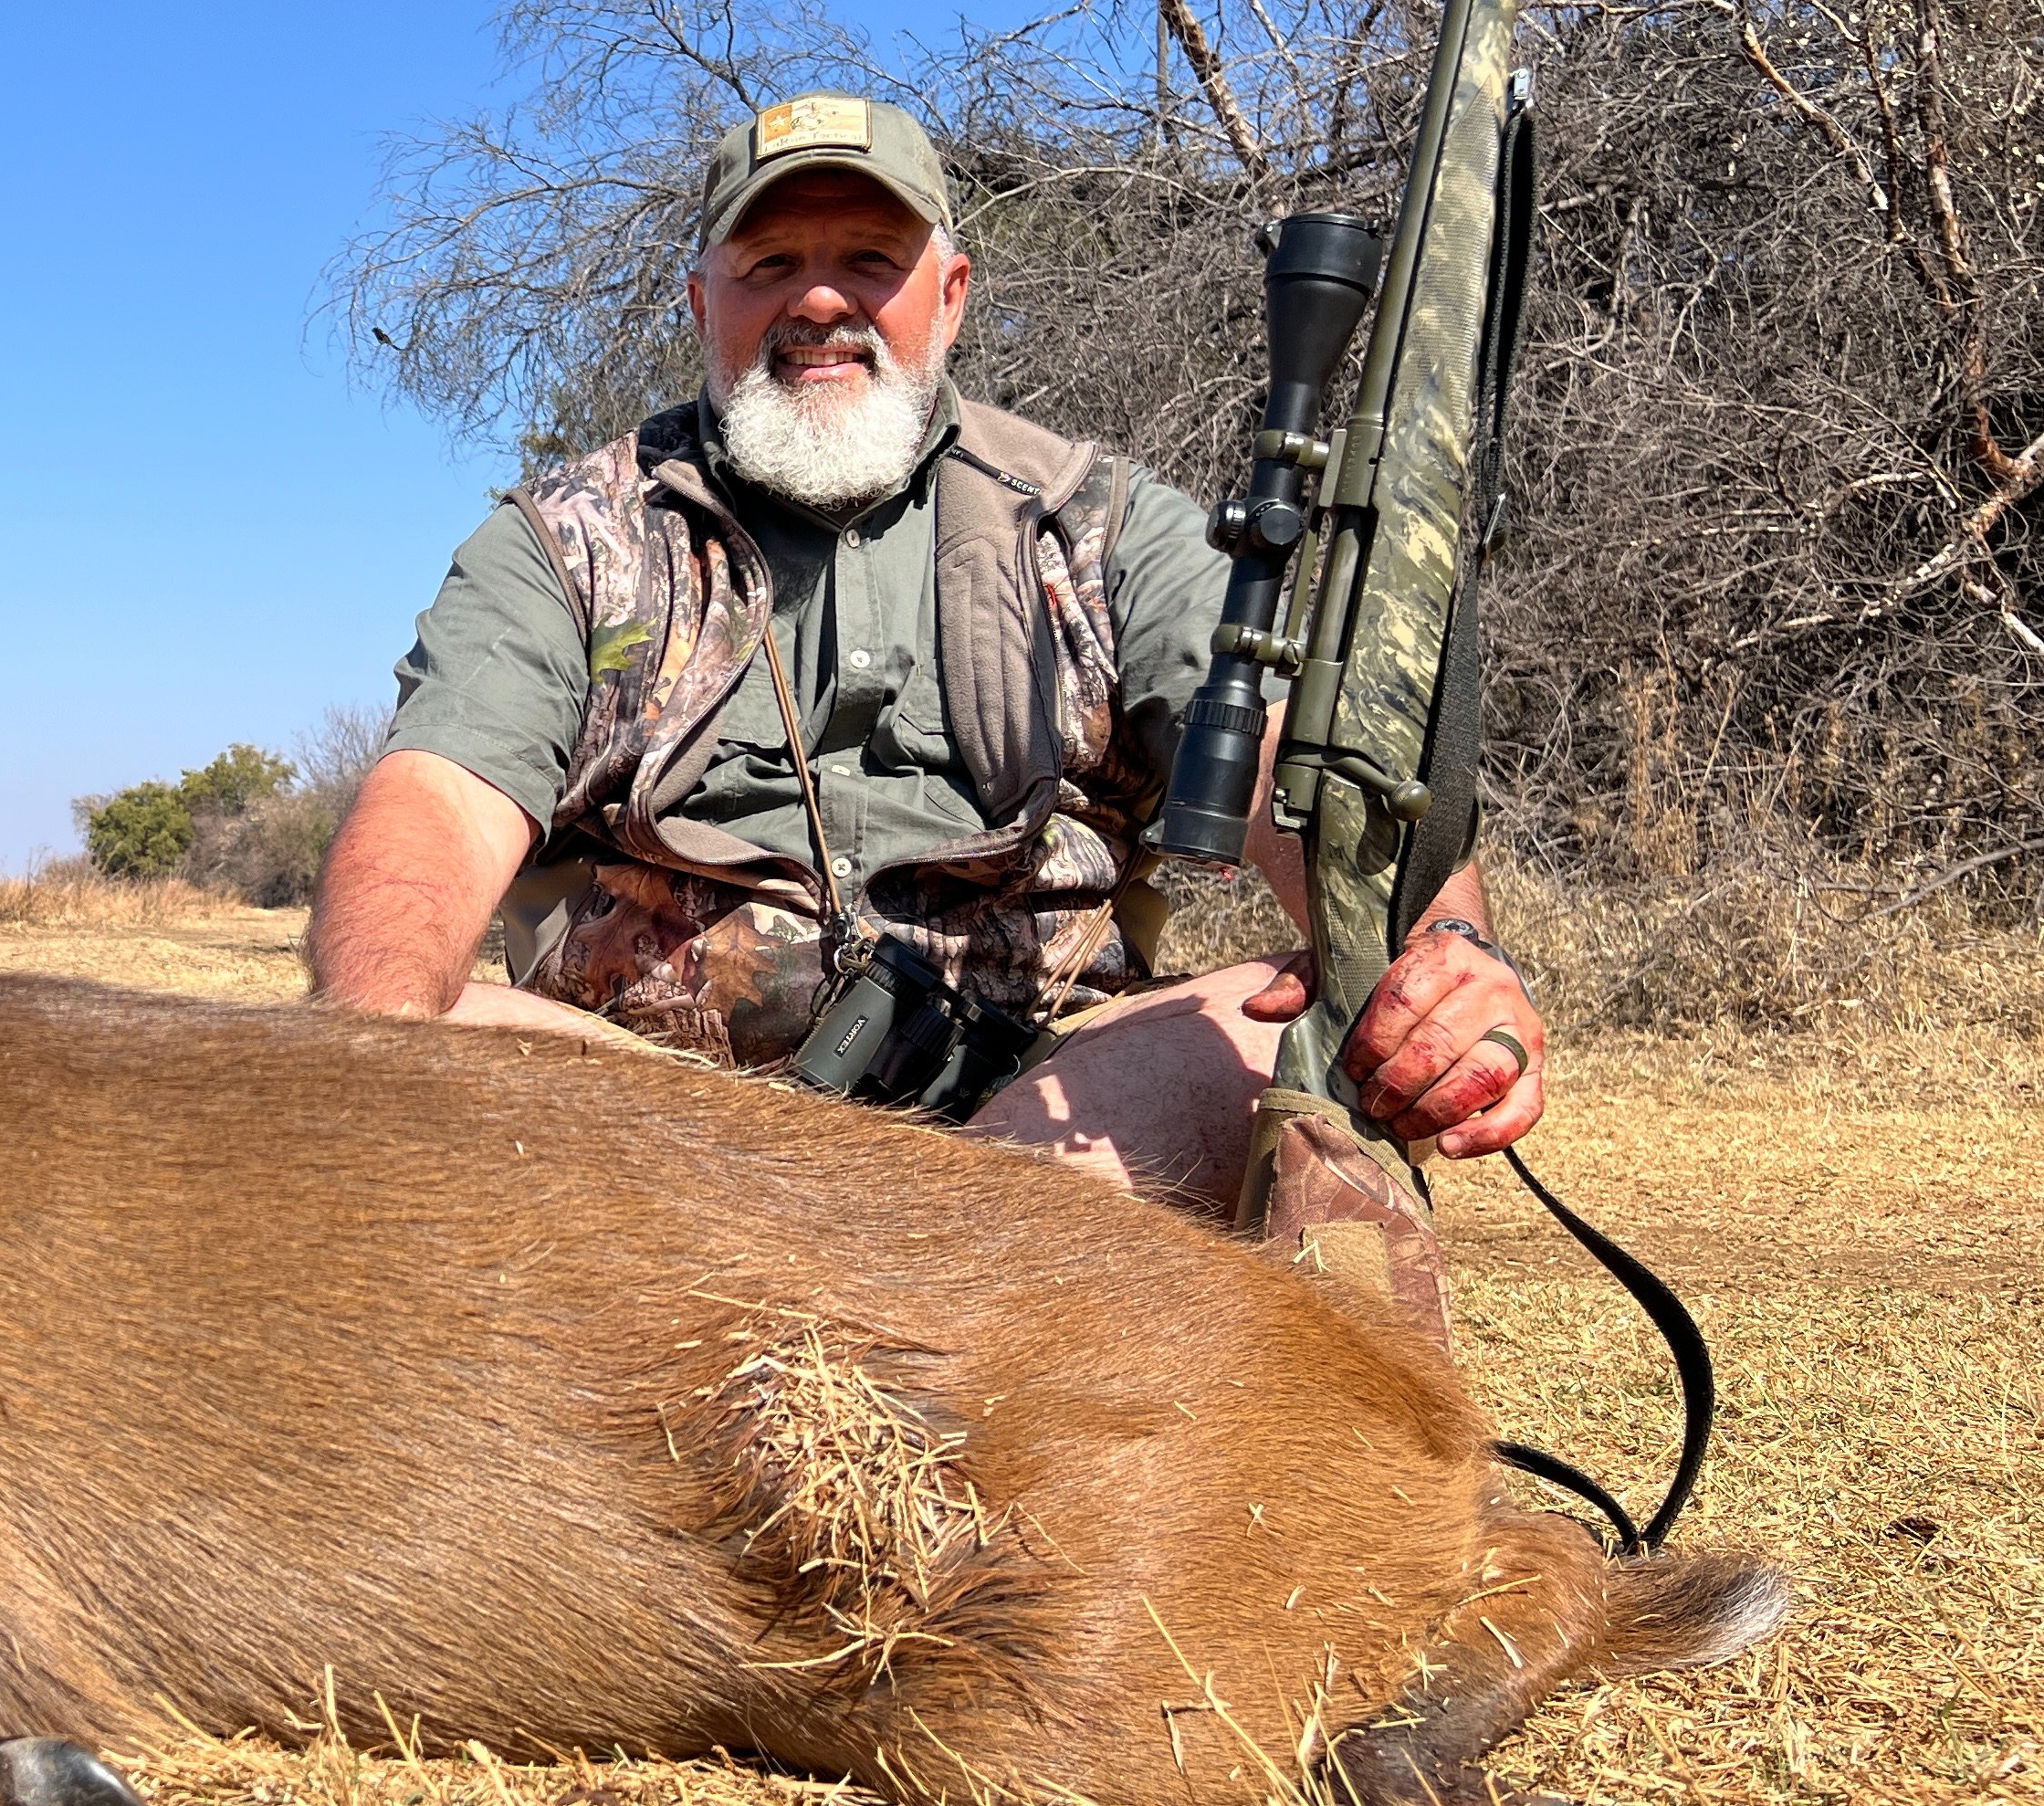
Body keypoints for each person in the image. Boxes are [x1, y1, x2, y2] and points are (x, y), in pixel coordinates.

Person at [308, 91, 1545, 1339]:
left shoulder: (1104, 526)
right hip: (665, 1139)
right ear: (703, 302)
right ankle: (873, 1342)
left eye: (867, 261)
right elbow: (434, 806)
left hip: (1032, 1139)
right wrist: (381, 1045)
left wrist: (1447, 959)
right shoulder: (566, 541)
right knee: (382, 1029)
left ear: (949, 293)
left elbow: (1300, 770)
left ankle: (1290, 1492)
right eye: (772, 263)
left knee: (1302, 1025)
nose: (820, 302)